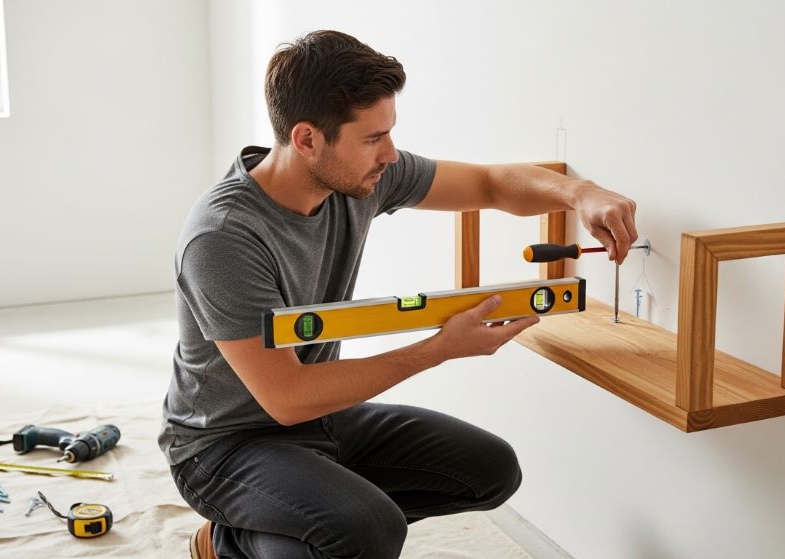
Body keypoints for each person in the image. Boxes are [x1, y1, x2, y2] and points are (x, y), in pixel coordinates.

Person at [159, 29, 637, 559]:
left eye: (389, 134)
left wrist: (581, 193)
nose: (389, 154)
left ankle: (277, 526)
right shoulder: (223, 237)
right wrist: (438, 348)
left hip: (317, 421)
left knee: (491, 471)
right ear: (307, 139)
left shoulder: (359, 177)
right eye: (371, 139)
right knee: (368, 529)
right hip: (224, 446)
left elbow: (489, 184)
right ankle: (236, 537)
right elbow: (286, 396)